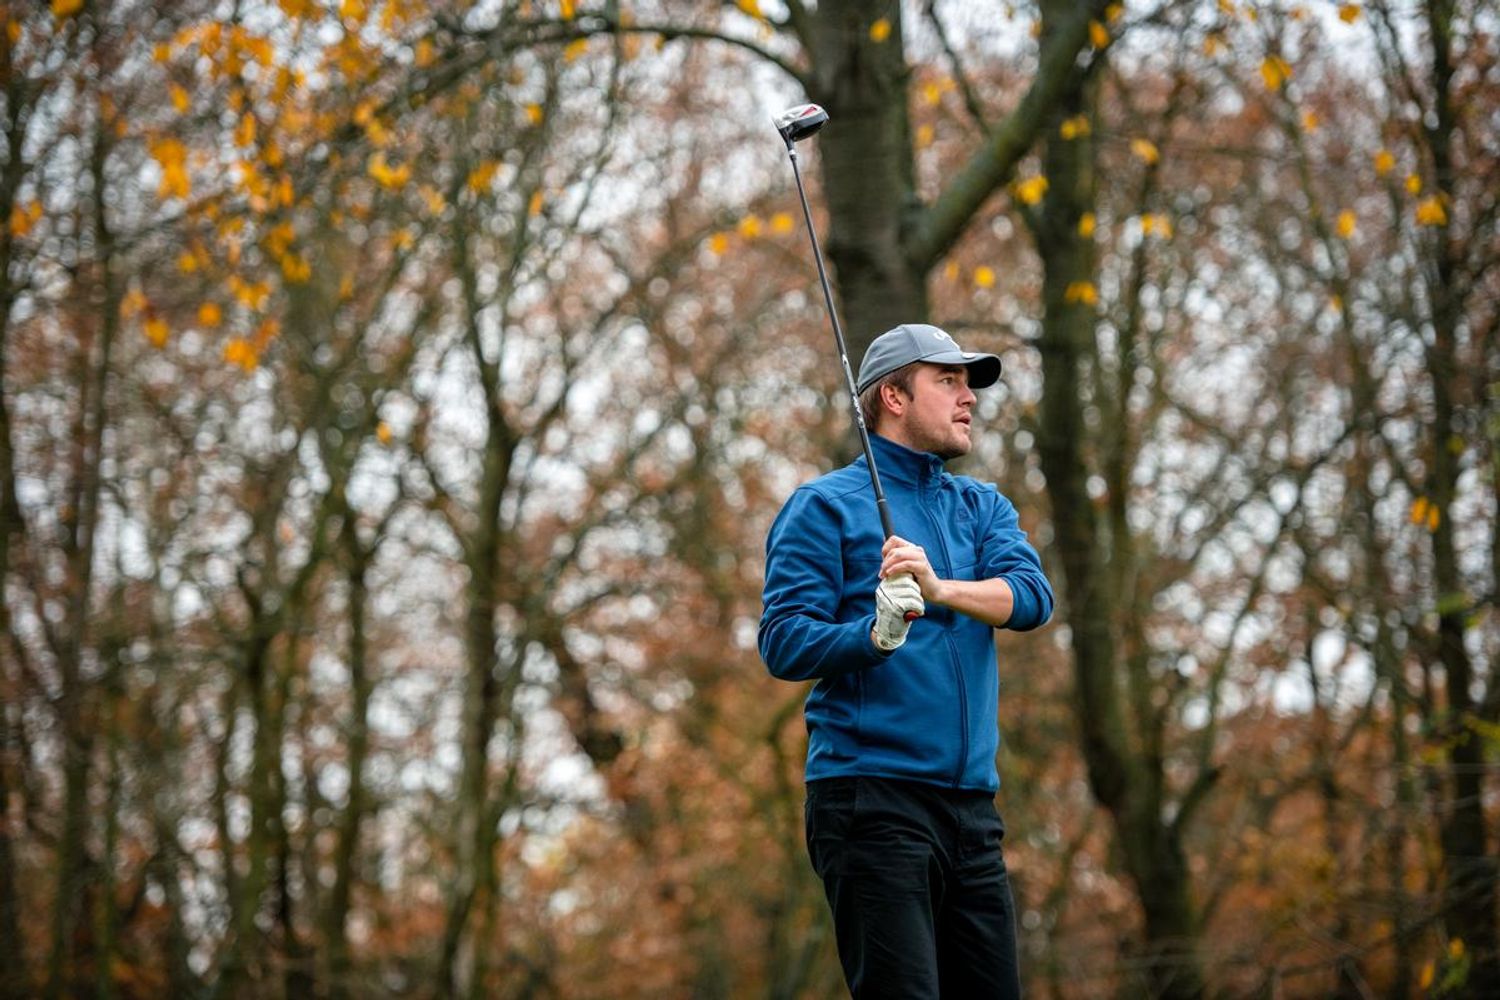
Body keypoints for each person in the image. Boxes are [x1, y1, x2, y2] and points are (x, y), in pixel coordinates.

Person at [759, 323, 1055, 999]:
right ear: (893, 397)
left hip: (972, 811)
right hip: (871, 802)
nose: (969, 398)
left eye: (968, 384)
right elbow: (783, 639)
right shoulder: (823, 507)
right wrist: (874, 634)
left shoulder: (981, 506)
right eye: (947, 381)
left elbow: (1032, 598)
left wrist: (941, 589)